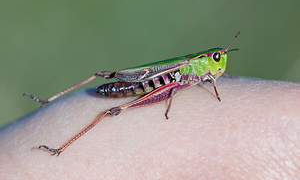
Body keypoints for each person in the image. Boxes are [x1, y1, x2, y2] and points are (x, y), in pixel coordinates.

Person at [0, 77, 299, 179]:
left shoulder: (206, 75)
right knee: (108, 112)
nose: (217, 66)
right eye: (215, 59)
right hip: (145, 83)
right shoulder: (194, 70)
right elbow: (172, 88)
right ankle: (59, 144)